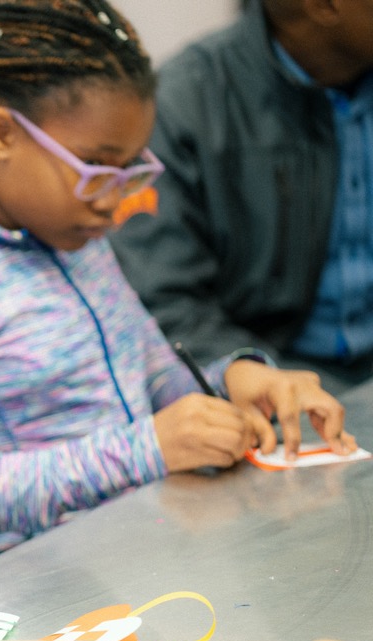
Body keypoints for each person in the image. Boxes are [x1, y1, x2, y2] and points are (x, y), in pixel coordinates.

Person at [0, 0, 356, 598]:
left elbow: (154, 372)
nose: (113, 201)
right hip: (6, 615)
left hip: (124, 572)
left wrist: (235, 381)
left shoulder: (77, 243)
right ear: (1, 133)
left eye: (128, 174)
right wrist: (142, 449)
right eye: (95, 170)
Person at [109, 0, 373, 396]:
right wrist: (254, 374)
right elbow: (162, 304)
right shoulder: (183, 106)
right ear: (324, 5)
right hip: (269, 381)